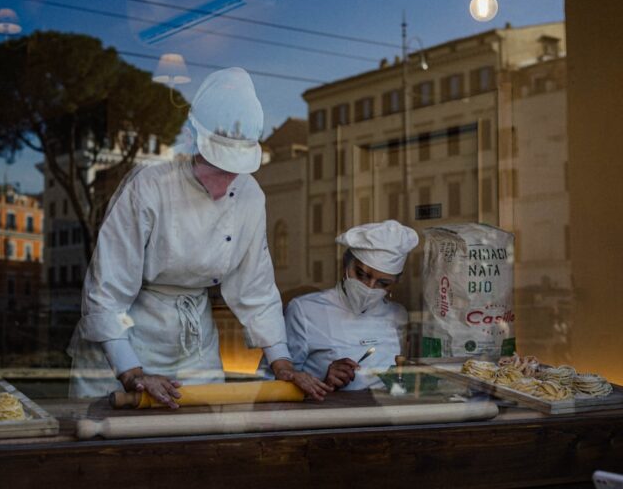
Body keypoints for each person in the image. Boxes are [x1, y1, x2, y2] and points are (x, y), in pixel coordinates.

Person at [68, 67, 330, 406]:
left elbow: (257, 288)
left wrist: (283, 364)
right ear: (194, 142)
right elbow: (107, 291)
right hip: (127, 339)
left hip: (195, 344)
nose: (226, 179)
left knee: (202, 432)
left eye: (234, 170)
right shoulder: (149, 187)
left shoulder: (250, 196)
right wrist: (132, 373)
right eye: (218, 166)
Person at [260, 220, 418, 391]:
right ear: (345, 265)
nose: (369, 287)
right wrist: (323, 381)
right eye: (362, 275)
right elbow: (273, 383)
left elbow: (401, 379)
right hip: (329, 415)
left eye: (383, 283)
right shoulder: (304, 310)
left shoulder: (397, 315)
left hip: (387, 413)